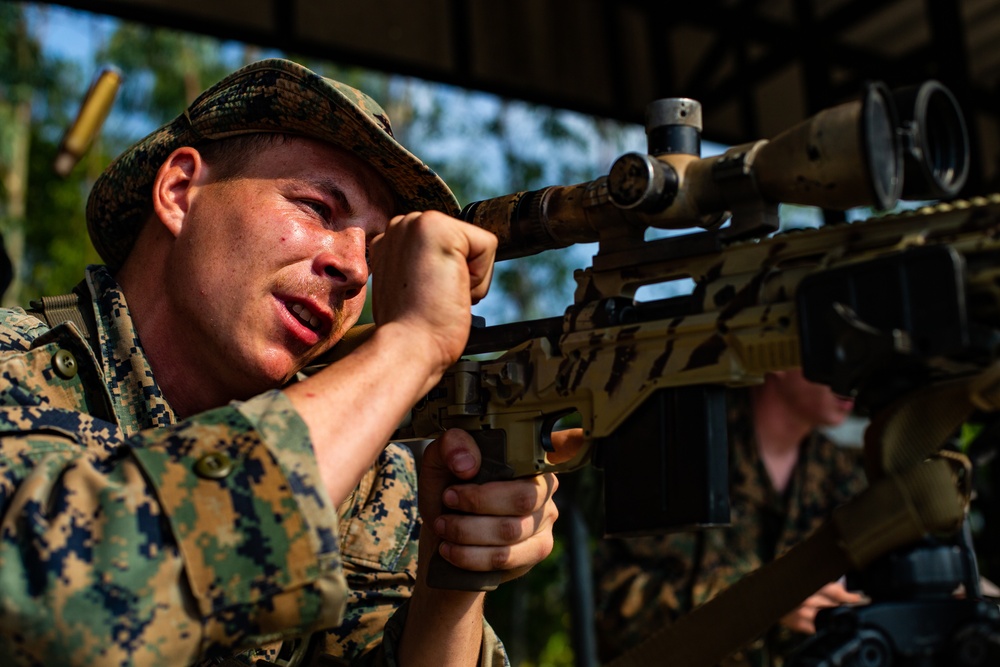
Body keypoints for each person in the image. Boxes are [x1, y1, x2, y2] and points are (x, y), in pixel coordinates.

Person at [0, 58, 568, 666]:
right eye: (319, 208)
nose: (354, 270)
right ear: (179, 191)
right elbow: (70, 608)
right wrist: (412, 345)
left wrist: (450, 579)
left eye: (375, 251)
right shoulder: (16, 369)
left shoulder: (372, 478)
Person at [593, 369, 868, 666]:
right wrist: (762, 604)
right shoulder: (675, 448)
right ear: (780, 360)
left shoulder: (844, 477)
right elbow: (616, 605)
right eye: (828, 352)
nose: (852, 375)